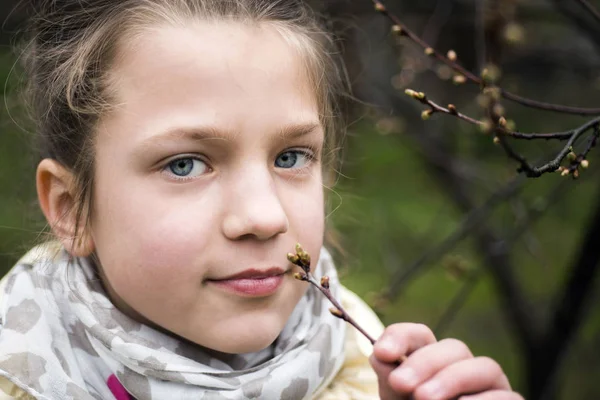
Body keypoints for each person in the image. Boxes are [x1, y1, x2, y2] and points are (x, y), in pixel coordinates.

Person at [0, 1, 523, 399]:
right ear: (72, 208)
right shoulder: (20, 372)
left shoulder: (368, 365)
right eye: (185, 164)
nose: (264, 216)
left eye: (291, 157)